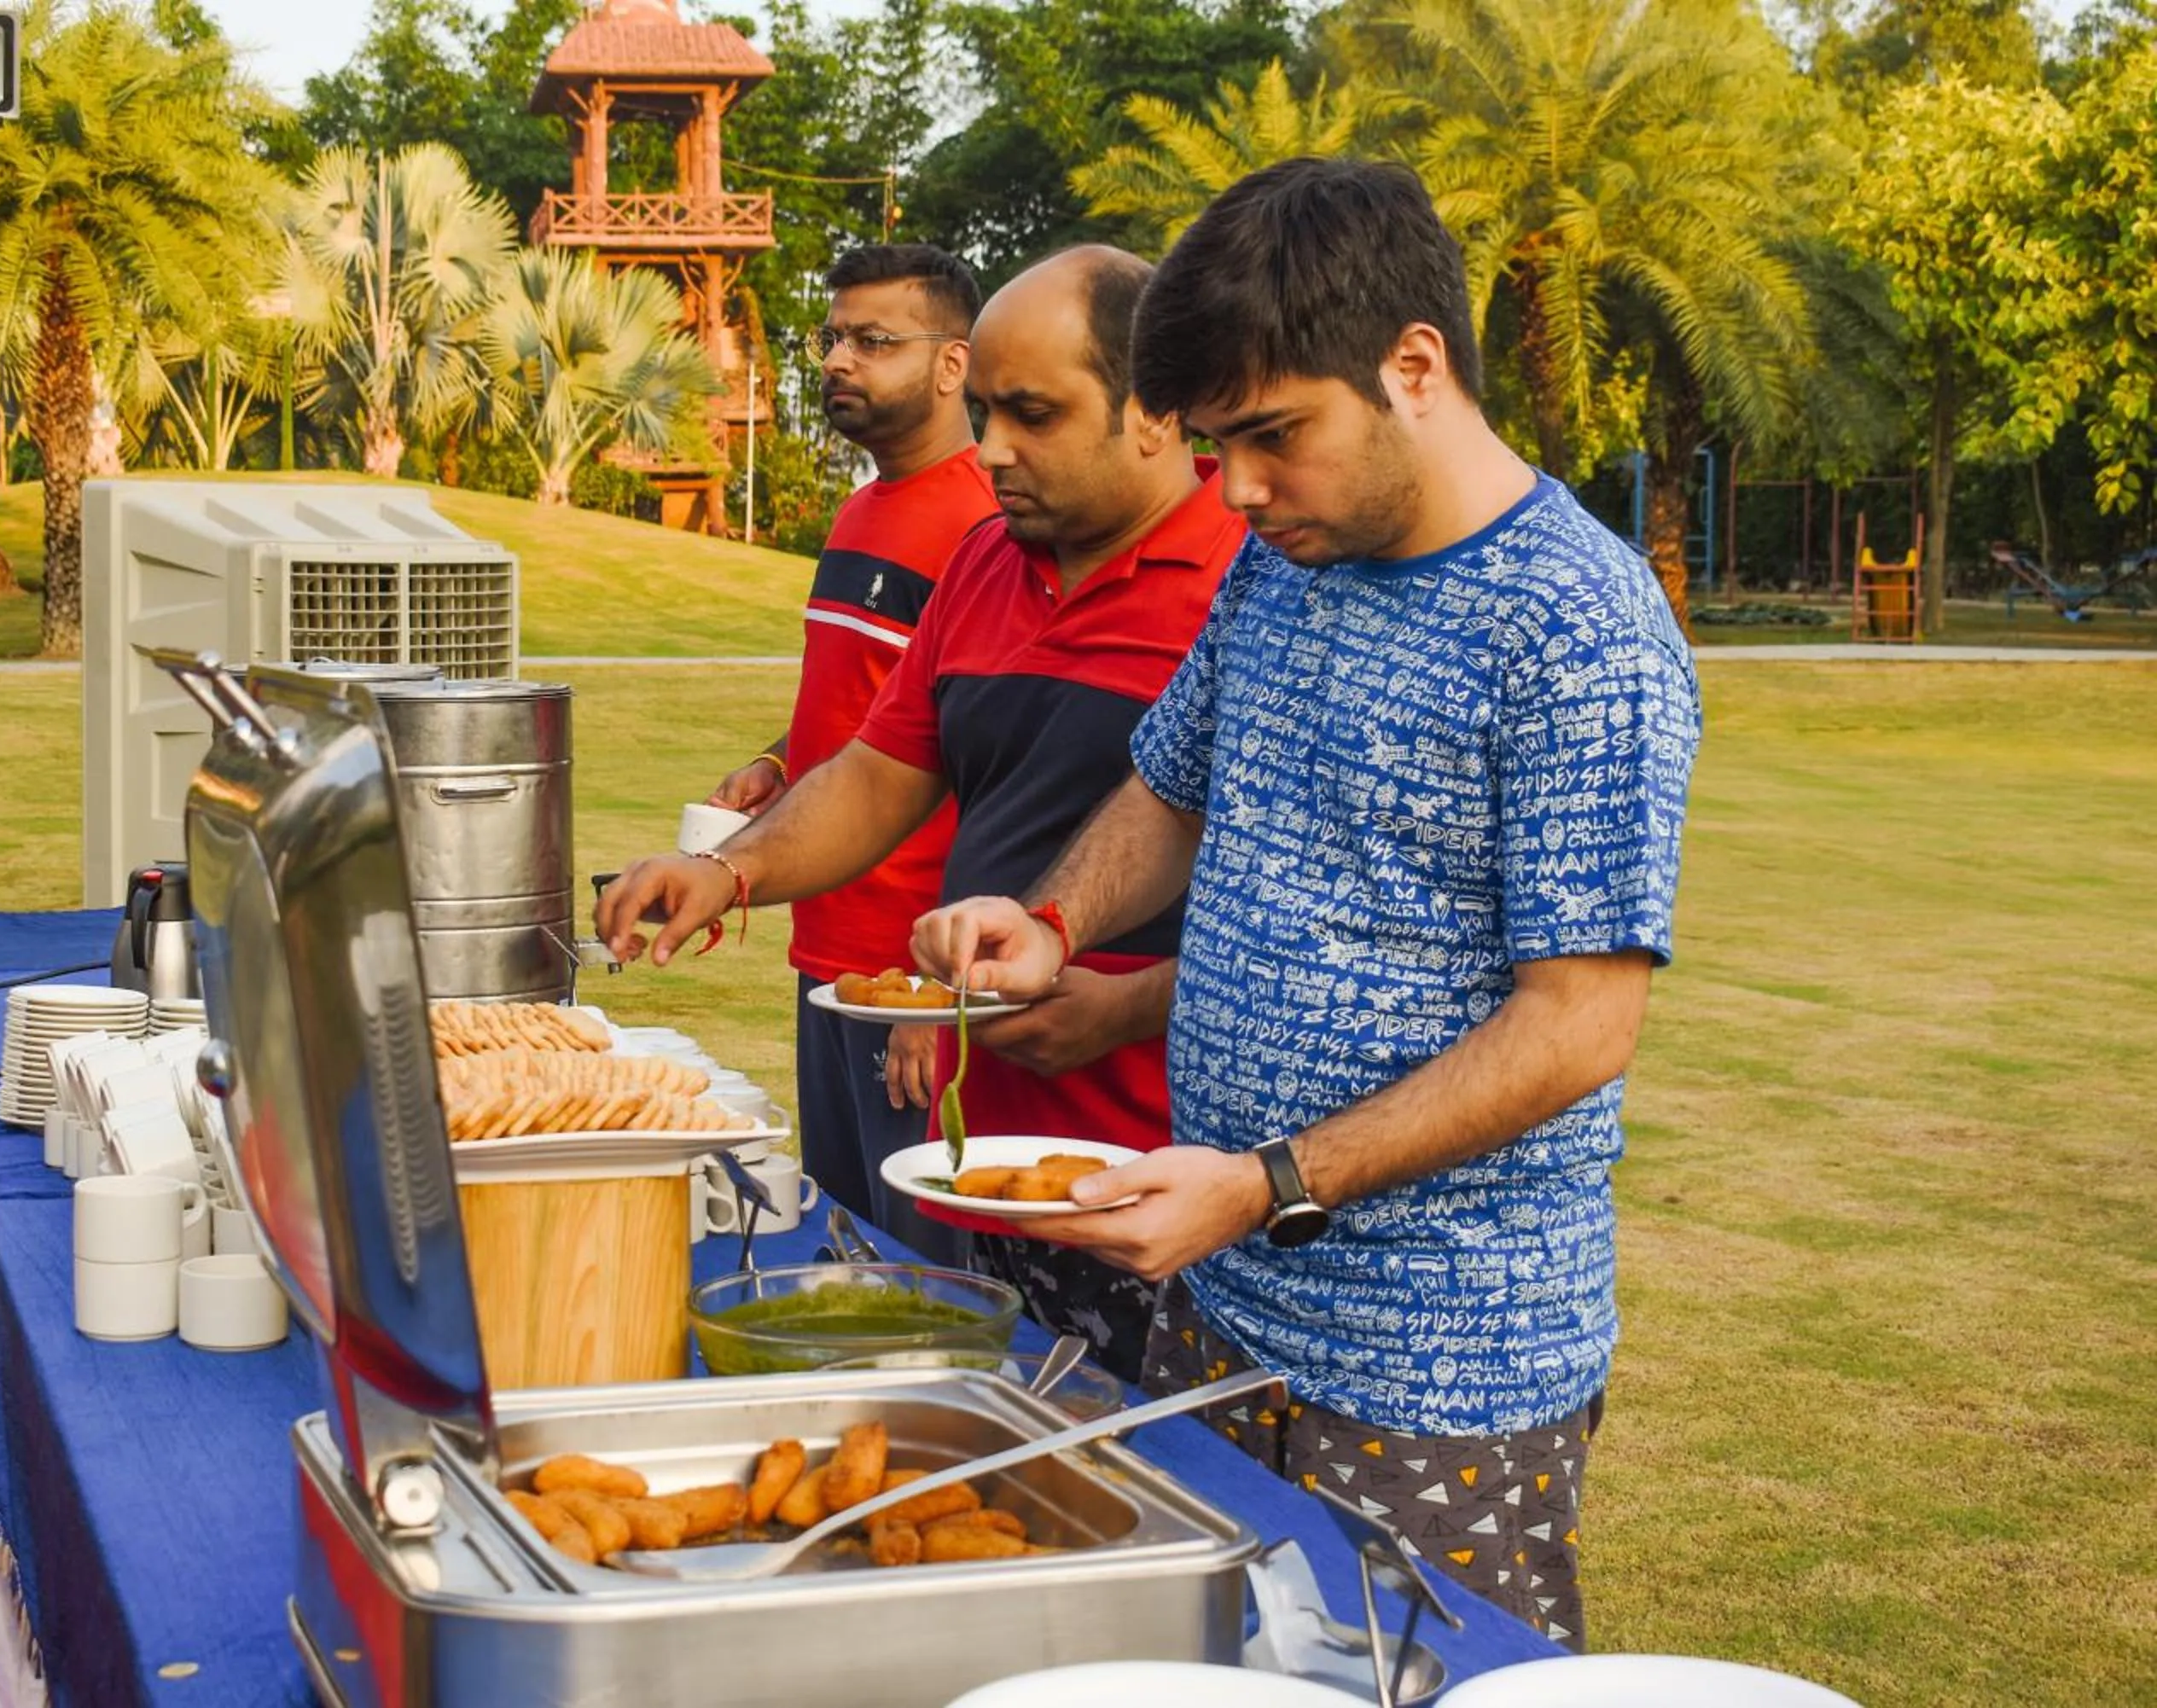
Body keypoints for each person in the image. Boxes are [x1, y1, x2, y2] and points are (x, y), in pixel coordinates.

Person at [910, 158, 1701, 1647]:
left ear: (1416, 365)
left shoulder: (1579, 627)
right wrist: (1052, 924)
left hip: (1438, 1365)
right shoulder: (1286, 563)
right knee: (1213, 1663)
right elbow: (1173, 789)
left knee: (1418, 1679)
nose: (1239, 490)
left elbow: (1580, 1025)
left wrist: (1269, 1181)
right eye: (1218, 445)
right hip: (1221, 1299)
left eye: (1274, 435)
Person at [599, 246, 1272, 1378]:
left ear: (1156, 411)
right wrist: (731, 869)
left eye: (1034, 415)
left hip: (1165, 1178)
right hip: (978, 1149)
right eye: (988, 412)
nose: (993, 447)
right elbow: (880, 770)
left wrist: (1127, 1008)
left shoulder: (1249, 583)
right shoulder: (985, 561)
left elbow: (1298, 901)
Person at [702, 244, 997, 1260]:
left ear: (953, 364)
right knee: (846, 1245)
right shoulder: (862, 510)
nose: (838, 360)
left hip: (911, 976)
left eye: (874, 341)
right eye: (833, 338)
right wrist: (779, 762)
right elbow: (878, 713)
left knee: (922, 1272)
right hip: (827, 952)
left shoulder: (984, 524)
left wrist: (938, 992)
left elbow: (993, 767)